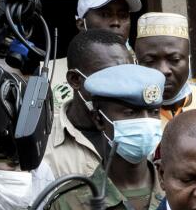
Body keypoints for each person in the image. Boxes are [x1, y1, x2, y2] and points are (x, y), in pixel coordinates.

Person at [40, 64, 165, 210]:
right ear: (99, 119)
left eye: (154, 112)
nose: (145, 122)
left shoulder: (179, 191)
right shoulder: (68, 203)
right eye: (131, 112)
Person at [41, 28, 132, 181]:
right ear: (75, 79)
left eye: (128, 75)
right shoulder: (43, 147)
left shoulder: (140, 133)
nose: (122, 86)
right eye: (110, 76)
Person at [134, 12, 196, 122]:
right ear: (136, 64)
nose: (163, 70)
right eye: (150, 61)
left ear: (188, 61)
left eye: (175, 60)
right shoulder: (127, 113)